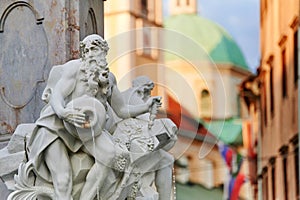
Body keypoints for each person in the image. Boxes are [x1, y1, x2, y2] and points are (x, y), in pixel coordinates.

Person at [27, 34, 160, 200]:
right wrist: (63, 112)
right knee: (63, 180)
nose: (91, 53)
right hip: (57, 127)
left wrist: (146, 106)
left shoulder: (109, 79)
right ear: (83, 53)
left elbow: (122, 110)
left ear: (104, 53)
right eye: (87, 49)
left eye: (95, 49)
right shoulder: (74, 69)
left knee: (111, 156)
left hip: (87, 129)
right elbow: (57, 95)